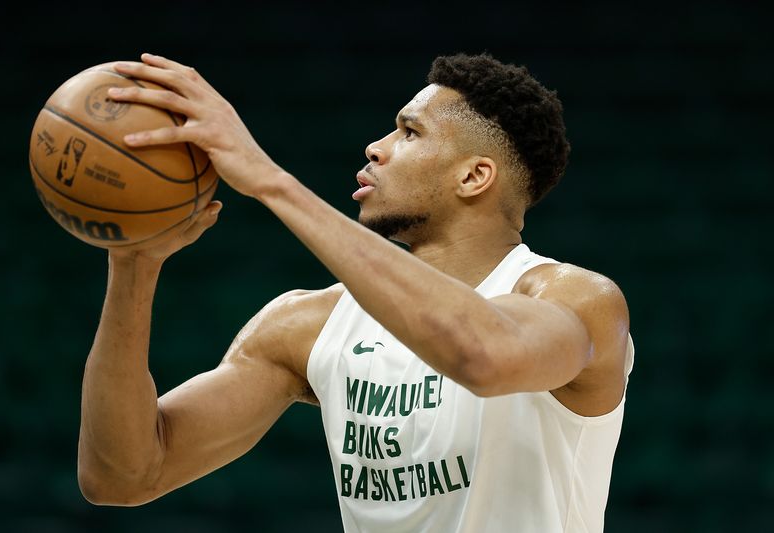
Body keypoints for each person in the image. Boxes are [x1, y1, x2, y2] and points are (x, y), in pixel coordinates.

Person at [78, 52, 633, 533]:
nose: (376, 147)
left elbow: (483, 355)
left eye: (409, 132)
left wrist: (269, 180)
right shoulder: (308, 324)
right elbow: (122, 474)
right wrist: (133, 266)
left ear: (473, 177)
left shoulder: (574, 300)